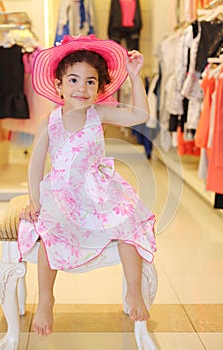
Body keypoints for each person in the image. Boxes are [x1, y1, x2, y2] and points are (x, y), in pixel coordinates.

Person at [18, 34, 156, 337]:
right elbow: (36, 164)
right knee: (47, 232)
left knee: (128, 225)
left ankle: (134, 291)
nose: (81, 88)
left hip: (98, 189)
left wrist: (135, 77)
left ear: (100, 88)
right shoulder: (50, 121)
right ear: (58, 84)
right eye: (73, 79)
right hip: (61, 192)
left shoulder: (99, 114)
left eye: (91, 82)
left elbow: (140, 116)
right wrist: (34, 200)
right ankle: (45, 298)